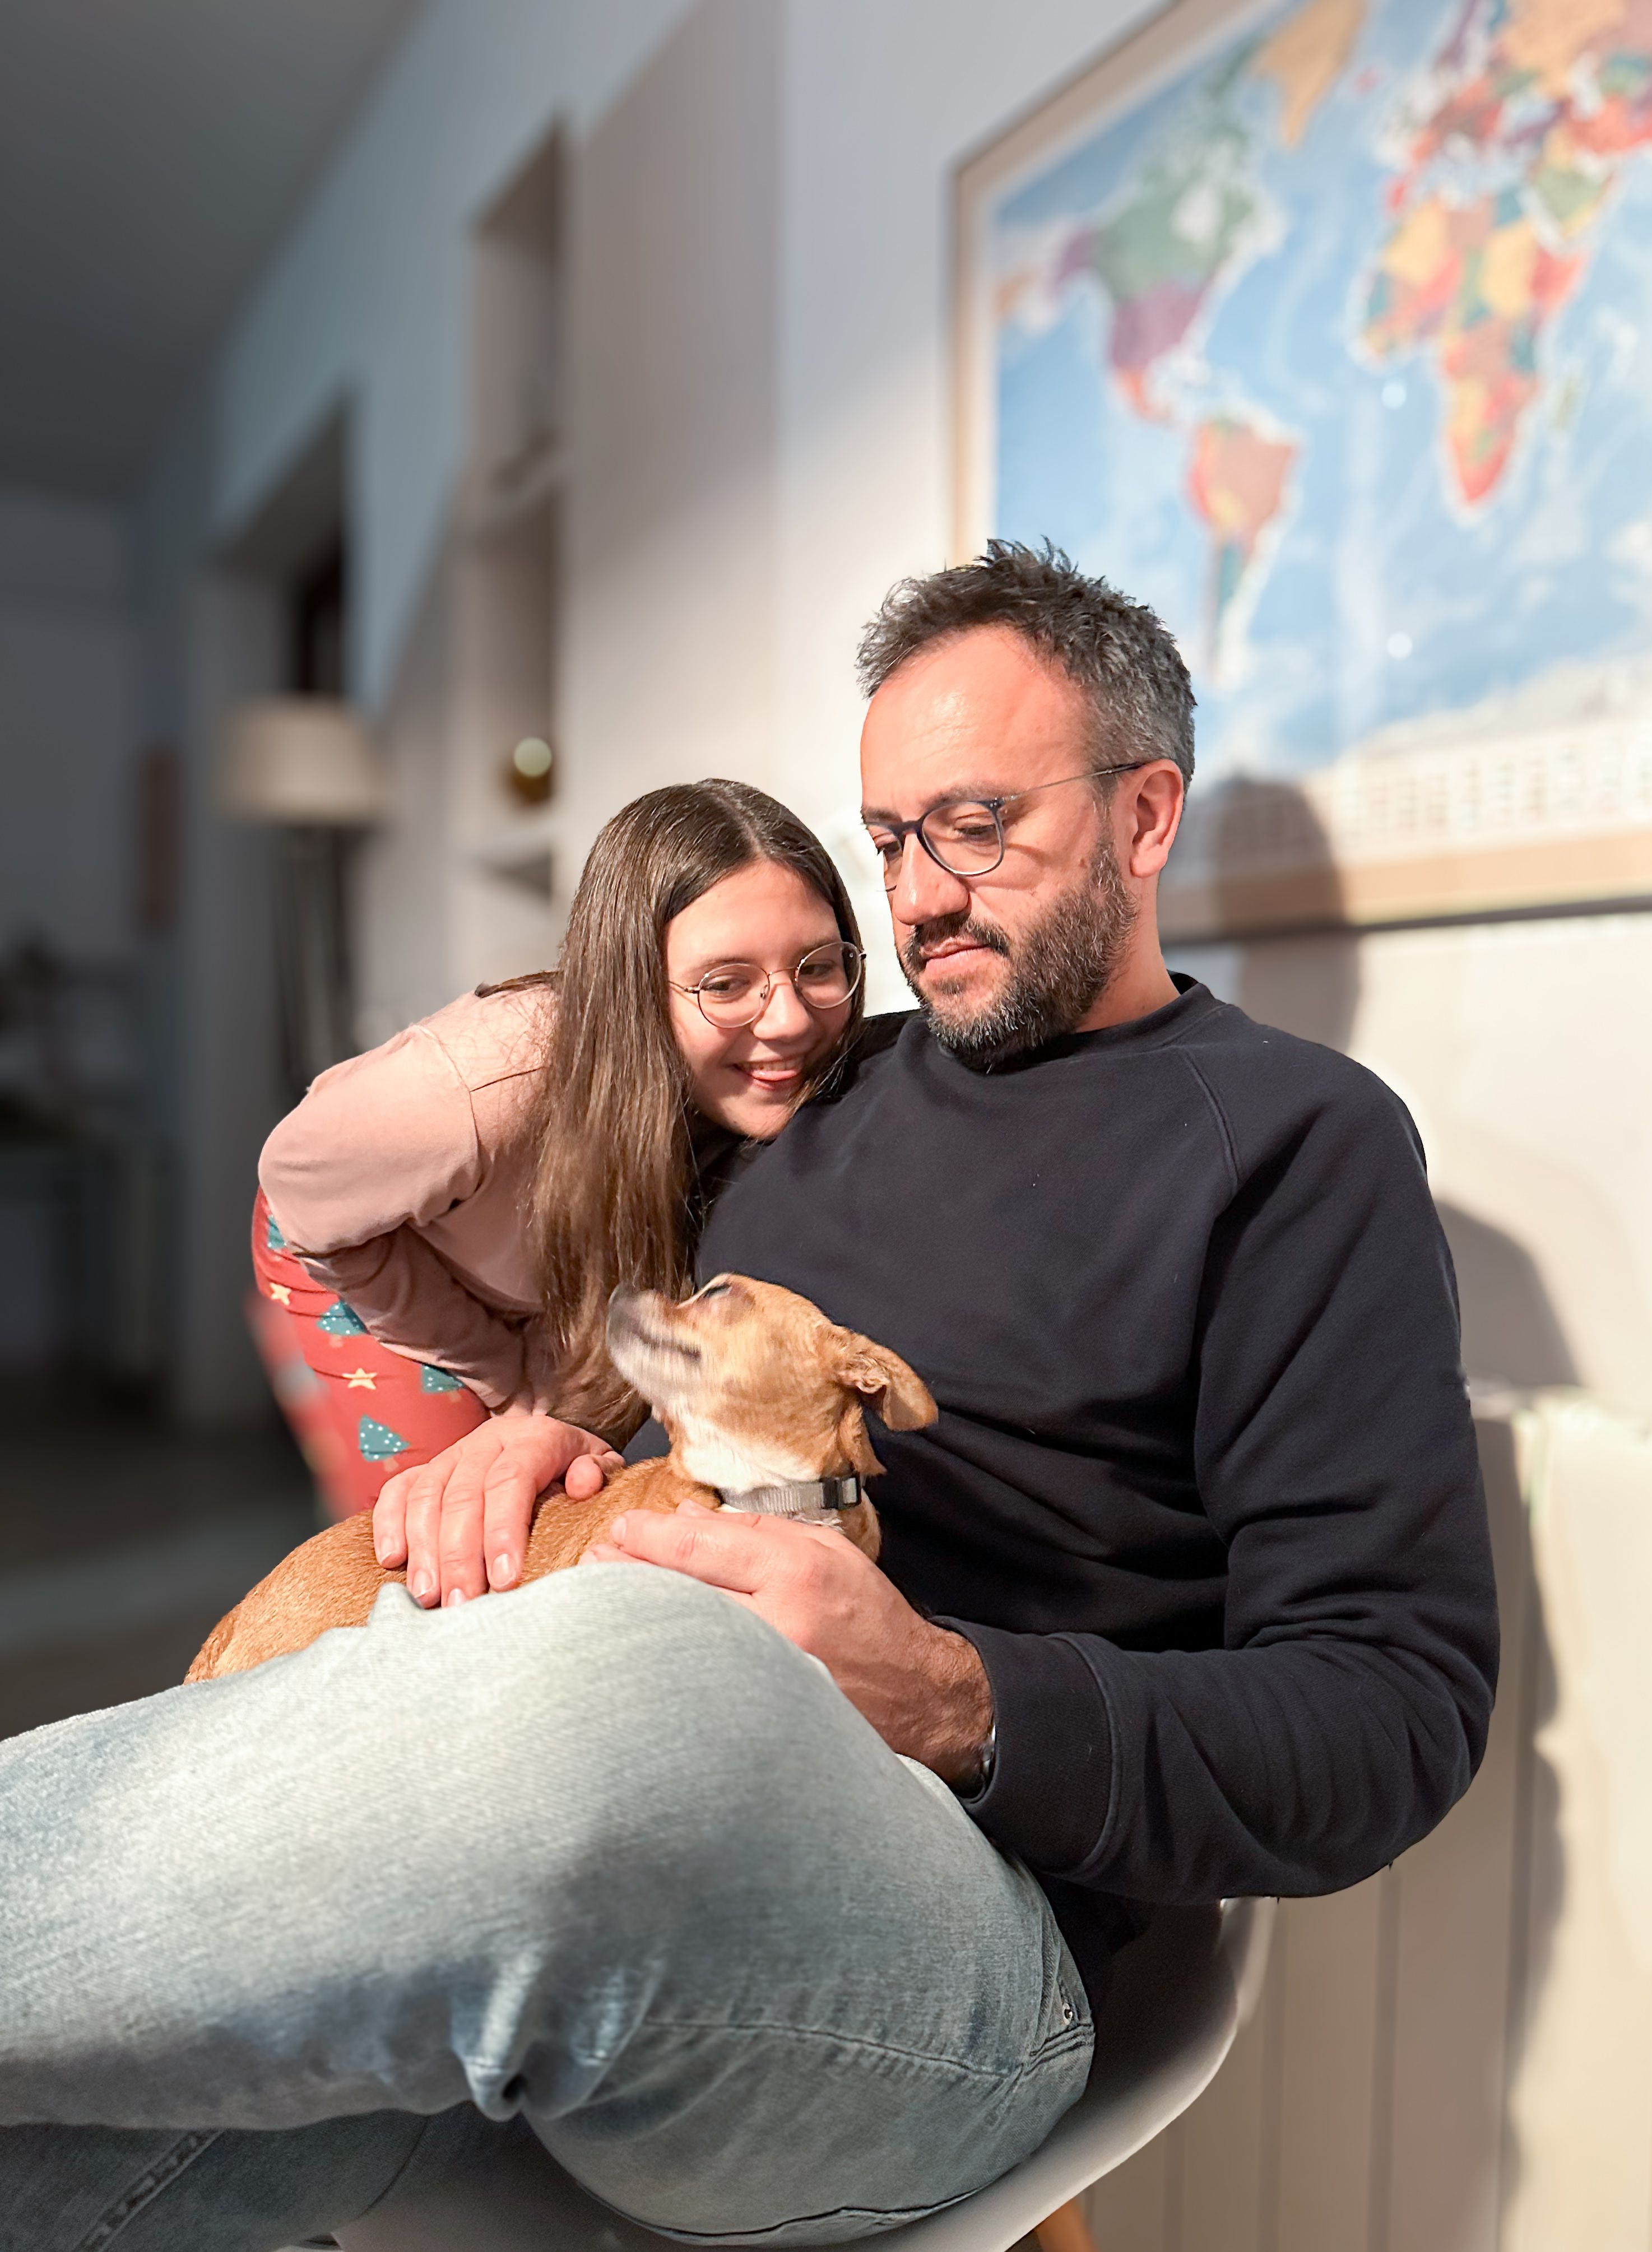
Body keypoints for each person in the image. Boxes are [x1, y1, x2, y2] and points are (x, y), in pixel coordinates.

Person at [0, 544, 1498, 2251]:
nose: (915, 897)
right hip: (599, 1870)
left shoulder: (1296, 1145)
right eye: (885, 841)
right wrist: (549, 1426)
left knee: (635, 1676)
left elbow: (1396, 1710)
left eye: (975, 825)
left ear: (1144, 818)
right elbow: (629, 1320)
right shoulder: (821, 1081)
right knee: (69, 2132)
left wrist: (949, 1695)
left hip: (976, 1963)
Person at [248, 777, 867, 1584]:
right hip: (345, 1254)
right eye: (724, 984)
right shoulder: (483, 1084)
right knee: (452, 1556)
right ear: (633, 985)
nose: (788, 1020)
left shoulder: (763, 1089)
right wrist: (502, 1380)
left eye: (816, 965)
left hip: (532, 1299)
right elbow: (296, 1178)